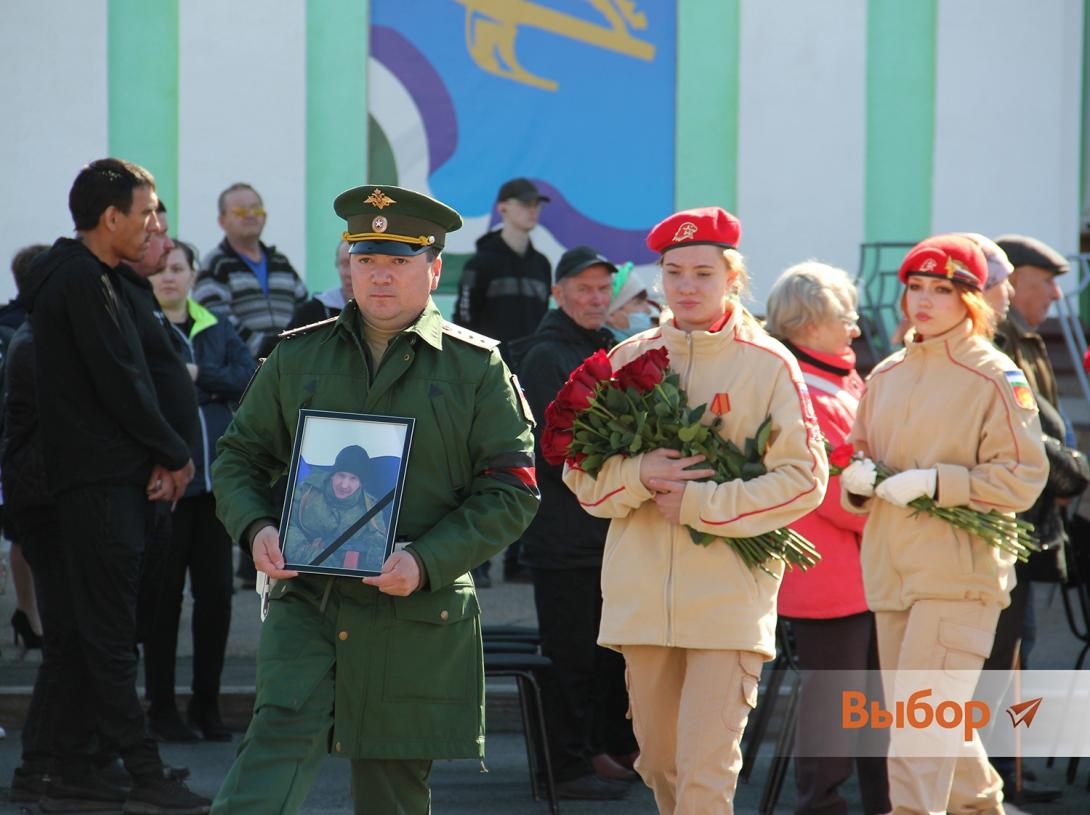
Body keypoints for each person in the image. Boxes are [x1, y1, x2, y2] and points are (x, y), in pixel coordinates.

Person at [208, 184, 539, 814]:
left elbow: (511, 491)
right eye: (366, 260)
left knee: (393, 786)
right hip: (309, 595)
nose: (379, 276)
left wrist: (426, 561)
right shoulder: (296, 355)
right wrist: (255, 529)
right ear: (348, 266)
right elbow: (239, 457)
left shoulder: (477, 368)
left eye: (398, 261)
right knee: (270, 758)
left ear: (434, 268)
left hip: (414, 606)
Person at [564, 207, 828, 814]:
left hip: (728, 603)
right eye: (674, 271)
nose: (685, 286)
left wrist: (703, 503)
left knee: (706, 777)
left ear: (732, 279)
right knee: (659, 764)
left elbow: (805, 479)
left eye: (702, 273)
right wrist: (637, 473)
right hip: (640, 603)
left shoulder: (769, 363)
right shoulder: (628, 357)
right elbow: (579, 475)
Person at [840, 234, 1049, 815]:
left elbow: (1022, 479)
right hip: (891, 573)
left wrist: (939, 482)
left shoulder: (995, 376)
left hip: (957, 577)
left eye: (943, 289)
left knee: (917, 733)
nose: (924, 300)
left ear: (971, 299)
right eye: (916, 287)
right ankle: (984, 808)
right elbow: (860, 459)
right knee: (936, 728)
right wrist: (856, 485)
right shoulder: (885, 373)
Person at [23, 158, 208, 813]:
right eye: (148, 212)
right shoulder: (78, 279)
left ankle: (66, 769)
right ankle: (144, 774)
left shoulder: (90, 277)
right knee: (107, 638)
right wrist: (173, 452)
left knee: (84, 636)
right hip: (96, 485)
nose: (156, 225)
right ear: (111, 218)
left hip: (106, 481)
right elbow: (119, 381)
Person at [512, 245, 637, 800]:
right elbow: (569, 443)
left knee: (606, 655)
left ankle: (597, 749)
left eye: (602, 289)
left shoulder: (606, 344)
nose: (594, 298)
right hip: (563, 533)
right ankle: (563, 767)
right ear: (557, 293)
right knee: (569, 657)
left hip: (606, 530)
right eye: (583, 288)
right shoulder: (544, 356)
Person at [765, 262, 890, 815]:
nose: (857, 329)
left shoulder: (834, 378)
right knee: (837, 708)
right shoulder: (807, 389)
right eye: (847, 317)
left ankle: (885, 804)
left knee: (870, 709)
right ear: (810, 325)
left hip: (855, 574)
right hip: (829, 579)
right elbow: (842, 497)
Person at [983, 233, 1087, 804]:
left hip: (1031, 521)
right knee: (999, 653)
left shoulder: (1023, 337)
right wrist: (1071, 471)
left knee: (1016, 648)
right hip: (1008, 521)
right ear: (1013, 280)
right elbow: (1034, 435)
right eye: (1043, 281)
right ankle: (995, 779)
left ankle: (1007, 775)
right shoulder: (996, 341)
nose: (1053, 293)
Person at [144, 240, 258, 744]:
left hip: (215, 491)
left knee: (215, 599)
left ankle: (206, 707)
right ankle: (162, 708)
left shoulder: (216, 327)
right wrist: (204, 386)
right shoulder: (142, 328)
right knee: (162, 602)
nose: (169, 278)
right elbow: (147, 388)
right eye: (161, 271)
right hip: (165, 489)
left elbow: (248, 377)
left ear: (193, 276)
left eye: (178, 269)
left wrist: (197, 376)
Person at [453, 177, 552, 586]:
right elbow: (463, 322)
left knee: (526, 465)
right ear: (503, 208)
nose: (533, 210)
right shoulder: (481, 264)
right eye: (524, 203)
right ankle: (475, 558)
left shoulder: (542, 264)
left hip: (530, 380)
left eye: (537, 204)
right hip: (485, 381)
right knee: (478, 466)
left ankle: (518, 559)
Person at [193, 182, 307, 359]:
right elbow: (217, 320)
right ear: (222, 221)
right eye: (240, 211)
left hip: (290, 364)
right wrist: (266, 348)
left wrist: (294, 347)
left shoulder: (281, 262)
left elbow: (303, 310)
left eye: (256, 209)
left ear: (265, 217)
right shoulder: (214, 265)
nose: (251, 215)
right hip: (244, 372)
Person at [285, 444, 390, 573]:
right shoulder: (306, 491)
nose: (344, 485)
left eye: (353, 478)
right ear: (333, 474)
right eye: (341, 475)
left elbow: (379, 544)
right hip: (298, 572)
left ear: (361, 483)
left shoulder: (371, 509)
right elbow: (286, 526)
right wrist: (313, 556)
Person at [288, 239, 352, 328]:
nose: (350, 274)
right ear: (337, 265)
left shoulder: (376, 311)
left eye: (357, 264)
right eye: (344, 264)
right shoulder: (311, 314)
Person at [604, 261, 657, 342]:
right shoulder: (596, 351)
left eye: (646, 301)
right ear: (610, 316)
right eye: (638, 303)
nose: (649, 310)